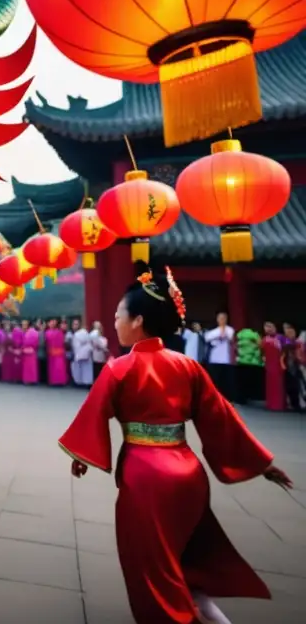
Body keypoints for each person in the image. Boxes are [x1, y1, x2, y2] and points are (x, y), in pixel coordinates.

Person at [59, 267, 293, 624]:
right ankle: (204, 609)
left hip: (145, 478)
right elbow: (222, 418)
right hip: (188, 473)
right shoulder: (188, 366)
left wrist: (84, 456)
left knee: (150, 565)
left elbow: (92, 415)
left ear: (138, 320)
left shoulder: (120, 368)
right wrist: (260, 463)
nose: (115, 322)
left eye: (118, 315)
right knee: (185, 552)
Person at [204, 311, 236, 403]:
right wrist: (219, 332)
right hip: (214, 359)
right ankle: (214, 399)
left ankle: (226, 400)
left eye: (223, 318)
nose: (222, 320)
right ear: (217, 319)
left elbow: (229, 337)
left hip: (226, 360)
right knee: (215, 380)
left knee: (226, 381)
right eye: (220, 318)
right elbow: (207, 338)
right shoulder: (213, 331)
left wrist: (222, 330)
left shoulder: (230, 330)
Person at [280, 323, 305, 412]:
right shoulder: (284, 340)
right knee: (291, 385)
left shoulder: (298, 342)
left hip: (297, 364)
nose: (288, 332)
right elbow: (282, 355)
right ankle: (293, 404)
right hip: (289, 365)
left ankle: (299, 404)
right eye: (286, 329)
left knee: (299, 385)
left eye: (290, 330)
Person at [261, 323, 285, 412]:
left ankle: (278, 404)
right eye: (266, 327)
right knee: (270, 384)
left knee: (278, 384)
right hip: (269, 364)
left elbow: (284, 350)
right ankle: (270, 404)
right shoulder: (264, 339)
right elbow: (261, 351)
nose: (268, 329)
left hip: (278, 364)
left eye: (270, 327)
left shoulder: (280, 338)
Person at [70, 318, 94, 387]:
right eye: (74, 324)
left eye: (76, 324)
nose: (75, 326)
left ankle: (84, 383)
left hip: (82, 354)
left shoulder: (82, 333)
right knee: (79, 369)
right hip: (79, 354)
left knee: (84, 369)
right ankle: (82, 382)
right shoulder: (74, 333)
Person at [45, 317, 68, 386]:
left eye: (54, 322)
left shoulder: (60, 332)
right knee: (53, 368)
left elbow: (63, 342)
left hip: (59, 352)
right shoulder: (47, 332)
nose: (52, 324)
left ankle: (60, 381)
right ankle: (53, 381)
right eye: (51, 322)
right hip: (51, 353)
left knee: (59, 367)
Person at [20, 319, 39, 385]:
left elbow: (34, 343)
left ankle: (31, 380)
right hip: (27, 351)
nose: (23, 325)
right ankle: (28, 379)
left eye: (25, 324)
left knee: (31, 366)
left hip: (30, 351)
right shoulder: (25, 331)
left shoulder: (32, 332)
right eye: (22, 324)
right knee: (28, 367)